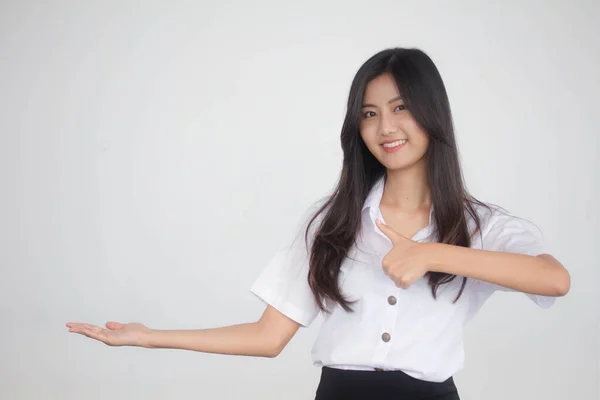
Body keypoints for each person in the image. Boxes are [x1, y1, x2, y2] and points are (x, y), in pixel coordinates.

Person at [66, 47, 570, 399]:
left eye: (401, 108)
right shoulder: (334, 221)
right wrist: (148, 336)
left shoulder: (479, 224)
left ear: (432, 114)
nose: (385, 127)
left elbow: (554, 279)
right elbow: (268, 337)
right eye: (369, 114)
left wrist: (433, 253)